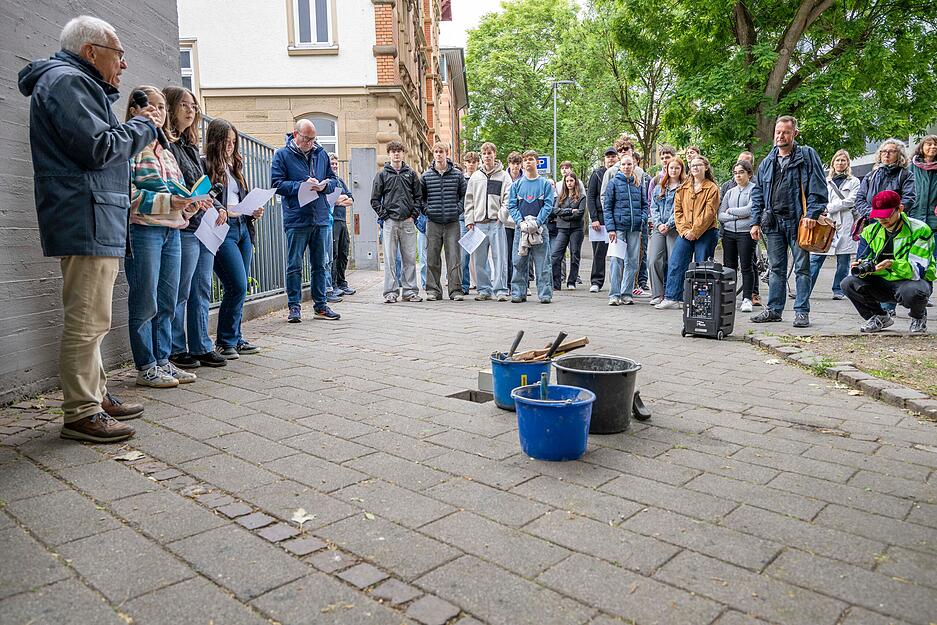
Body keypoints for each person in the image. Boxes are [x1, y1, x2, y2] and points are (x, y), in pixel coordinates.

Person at [18, 15, 156, 442]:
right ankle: (81, 410)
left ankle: (95, 395)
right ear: (90, 52)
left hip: (92, 214)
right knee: (87, 318)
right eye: (120, 54)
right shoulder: (67, 82)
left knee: (93, 317)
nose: (125, 65)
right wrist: (142, 126)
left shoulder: (72, 82)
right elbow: (99, 148)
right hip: (86, 215)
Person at [125, 86, 201, 388]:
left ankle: (163, 360)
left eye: (161, 108)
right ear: (134, 110)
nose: (158, 113)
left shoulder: (167, 152)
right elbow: (128, 196)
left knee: (168, 300)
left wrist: (191, 204)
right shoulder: (129, 146)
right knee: (145, 300)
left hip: (173, 230)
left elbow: (178, 193)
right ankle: (146, 365)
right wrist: (170, 203)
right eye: (152, 107)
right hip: (144, 230)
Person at [164, 86, 228, 370]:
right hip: (184, 228)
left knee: (201, 287)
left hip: (201, 225)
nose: (191, 110)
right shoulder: (168, 146)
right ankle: (177, 348)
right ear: (171, 108)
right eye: (184, 105)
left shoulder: (190, 147)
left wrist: (213, 203)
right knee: (181, 290)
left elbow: (198, 183)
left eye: (193, 106)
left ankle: (202, 344)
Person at [749, 116, 829, 327]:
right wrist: (755, 222)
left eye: (785, 132)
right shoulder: (767, 162)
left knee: (802, 268)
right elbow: (757, 193)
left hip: (799, 222)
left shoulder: (807, 155)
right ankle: (774, 310)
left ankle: (801, 311)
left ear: (795, 134)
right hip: (773, 223)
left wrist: (812, 214)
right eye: (778, 132)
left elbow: (818, 188)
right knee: (776, 269)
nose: (780, 136)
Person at [202, 118, 262, 357]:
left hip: (243, 227)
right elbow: (206, 196)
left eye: (233, 142)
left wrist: (254, 210)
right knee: (235, 283)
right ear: (215, 141)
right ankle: (225, 341)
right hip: (222, 228)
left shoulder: (235, 165)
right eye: (226, 142)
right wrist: (222, 208)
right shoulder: (205, 164)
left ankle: (235, 338)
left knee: (241, 285)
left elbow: (239, 199)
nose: (230, 146)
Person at [272, 119, 340, 321]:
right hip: (297, 218)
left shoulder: (321, 154)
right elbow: (276, 184)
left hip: (319, 216)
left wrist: (324, 185)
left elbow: (333, 179)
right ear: (296, 135)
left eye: (313, 139)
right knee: (294, 265)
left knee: (320, 264)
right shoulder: (282, 155)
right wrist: (301, 185)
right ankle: (294, 306)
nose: (310, 143)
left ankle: (320, 305)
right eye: (306, 139)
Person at [840, 190, 933, 333]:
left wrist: (892, 264)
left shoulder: (920, 229)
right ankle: (879, 317)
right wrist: (860, 267)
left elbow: (918, 270)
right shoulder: (869, 231)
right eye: (877, 216)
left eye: (886, 215)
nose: (882, 220)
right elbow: (863, 261)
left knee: (914, 292)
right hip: (882, 280)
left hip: (911, 281)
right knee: (848, 283)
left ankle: (918, 317)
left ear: (900, 209)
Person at [656, 156, 720, 309]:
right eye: (693, 165)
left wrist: (695, 231)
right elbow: (677, 211)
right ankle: (673, 297)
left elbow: (709, 213)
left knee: (701, 266)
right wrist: (684, 230)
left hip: (706, 232)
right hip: (685, 232)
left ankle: (701, 301)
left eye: (699, 165)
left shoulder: (712, 188)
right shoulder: (683, 187)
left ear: (706, 167)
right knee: (676, 262)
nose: (696, 168)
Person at [370, 140, 423, 303]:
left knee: (409, 258)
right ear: (389, 154)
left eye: (399, 151)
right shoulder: (382, 174)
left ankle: (410, 291)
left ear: (403, 153)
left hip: (407, 221)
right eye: (393, 151)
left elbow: (419, 197)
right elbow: (374, 199)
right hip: (390, 222)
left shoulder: (411, 174)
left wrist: (413, 215)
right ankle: (390, 292)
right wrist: (385, 216)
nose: (396, 154)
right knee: (390, 259)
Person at [809, 150, 860, 300]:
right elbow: (819, 198)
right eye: (837, 160)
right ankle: (806, 288)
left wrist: (829, 207)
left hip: (845, 222)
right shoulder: (825, 181)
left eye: (843, 160)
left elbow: (852, 200)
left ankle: (838, 290)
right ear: (833, 163)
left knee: (843, 260)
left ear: (848, 163)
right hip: (826, 223)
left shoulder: (854, 181)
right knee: (815, 258)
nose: (840, 163)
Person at [464, 142, 512, 301]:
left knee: (500, 257)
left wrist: (501, 214)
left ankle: (501, 290)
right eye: (484, 154)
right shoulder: (475, 177)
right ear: (481, 156)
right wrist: (469, 220)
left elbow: (508, 198)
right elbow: (469, 200)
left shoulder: (504, 176)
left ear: (494, 154)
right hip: (478, 223)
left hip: (496, 222)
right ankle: (484, 289)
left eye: (490, 153)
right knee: (479, 259)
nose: (487, 156)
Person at [421, 142, 467, 301]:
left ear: (447, 153)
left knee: (454, 257)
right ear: (433, 154)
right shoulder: (426, 176)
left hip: (452, 222)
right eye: (436, 152)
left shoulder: (457, 175)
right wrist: (427, 210)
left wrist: (457, 209)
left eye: (441, 151)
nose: (439, 154)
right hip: (433, 222)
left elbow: (464, 196)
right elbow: (421, 199)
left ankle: (456, 291)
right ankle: (433, 291)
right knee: (432, 257)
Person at [507, 150, 555, 303]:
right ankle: (518, 293)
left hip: (540, 230)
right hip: (521, 230)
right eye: (526, 160)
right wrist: (520, 222)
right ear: (522, 163)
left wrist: (537, 222)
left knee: (543, 263)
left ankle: (545, 294)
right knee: (518, 261)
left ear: (537, 162)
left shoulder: (545, 184)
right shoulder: (516, 185)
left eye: (531, 159)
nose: (528, 162)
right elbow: (512, 206)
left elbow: (548, 205)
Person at [604, 154, 649, 305]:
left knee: (632, 261)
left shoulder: (638, 183)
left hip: (634, 228)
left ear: (634, 166)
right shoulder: (613, 183)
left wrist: (642, 218)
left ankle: (626, 293)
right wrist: (610, 228)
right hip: (618, 229)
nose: (626, 167)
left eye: (629, 164)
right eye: (623, 164)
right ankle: (614, 294)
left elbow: (645, 205)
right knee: (616, 261)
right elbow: (607, 207)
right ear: (620, 166)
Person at [721, 151, 761, 306]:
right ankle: (729, 298)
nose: (738, 176)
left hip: (746, 233)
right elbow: (721, 215)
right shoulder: (730, 191)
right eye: (735, 173)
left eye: (741, 172)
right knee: (729, 267)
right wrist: (736, 216)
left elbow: (750, 210)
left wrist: (731, 211)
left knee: (747, 266)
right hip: (729, 233)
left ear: (749, 174)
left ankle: (747, 298)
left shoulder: (754, 189)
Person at [648, 157, 685, 305]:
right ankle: (657, 294)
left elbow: (679, 210)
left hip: (674, 228)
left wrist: (668, 224)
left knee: (673, 261)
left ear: (681, 170)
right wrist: (658, 224)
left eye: (677, 168)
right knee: (653, 260)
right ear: (667, 170)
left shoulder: (683, 188)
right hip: (659, 228)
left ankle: (672, 294)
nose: (674, 170)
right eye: (671, 168)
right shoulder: (659, 187)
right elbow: (653, 207)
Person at [855, 139, 916, 222]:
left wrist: (890, 215)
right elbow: (859, 199)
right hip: (872, 222)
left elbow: (908, 198)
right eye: (883, 151)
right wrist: (872, 213)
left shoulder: (905, 175)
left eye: (891, 151)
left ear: (899, 155)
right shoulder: (870, 176)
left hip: (895, 224)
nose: (886, 154)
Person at [910, 136, 937, 308]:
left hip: (934, 223)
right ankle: (902, 296)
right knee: (909, 259)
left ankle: (924, 296)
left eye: (935, 145)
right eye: (929, 144)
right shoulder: (911, 167)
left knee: (930, 262)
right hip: (913, 220)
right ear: (922, 147)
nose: (933, 147)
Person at [587, 148, 617, 292]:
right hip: (600, 218)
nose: (611, 159)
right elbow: (591, 197)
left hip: (616, 217)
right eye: (608, 157)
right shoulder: (597, 174)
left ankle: (616, 282)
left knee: (617, 251)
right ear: (604, 159)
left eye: (613, 156)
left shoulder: (619, 173)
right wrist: (594, 218)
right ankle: (596, 281)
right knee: (599, 252)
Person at [551, 173, 586, 290]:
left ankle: (572, 281)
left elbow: (580, 213)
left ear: (575, 182)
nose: (569, 183)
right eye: (567, 181)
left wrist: (564, 213)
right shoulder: (561, 196)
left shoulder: (581, 197)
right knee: (555, 255)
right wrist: (571, 211)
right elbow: (556, 210)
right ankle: (556, 283)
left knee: (575, 254)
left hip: (577, 229)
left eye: (571, 181)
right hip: (562, 229)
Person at [328, 153, 355, 296]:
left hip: (342, 220)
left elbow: (350, 200)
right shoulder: (326, 181)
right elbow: (328, 200)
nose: (334, 166)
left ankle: (342, 282)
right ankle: (333, 285)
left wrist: (339, 200)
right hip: (332, 221)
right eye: (332, 164)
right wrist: (338, 199)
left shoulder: (340, 181)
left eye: (336, 164)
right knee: (334, 254)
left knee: (344, 252)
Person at [502, 151, 524, 287]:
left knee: (522, 254)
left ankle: (522, 283)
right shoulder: (504, 177)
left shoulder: (524, 179)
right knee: (507, 254)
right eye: (512, 163)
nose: (515, 167)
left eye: (517, 164)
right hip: (506, 222)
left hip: (521, 222)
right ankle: (509, 284)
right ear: (508, 164)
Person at [459, 151, 480, 293]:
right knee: (464, 254)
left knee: (481, 254)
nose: (471, 164)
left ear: (478, 163)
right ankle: (464, 285)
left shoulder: (481, 178)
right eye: (469, 162)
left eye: (474, 162)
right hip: (463, 219)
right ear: (465, 164)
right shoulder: (460, 179)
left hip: (480, 219)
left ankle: (483, 285)